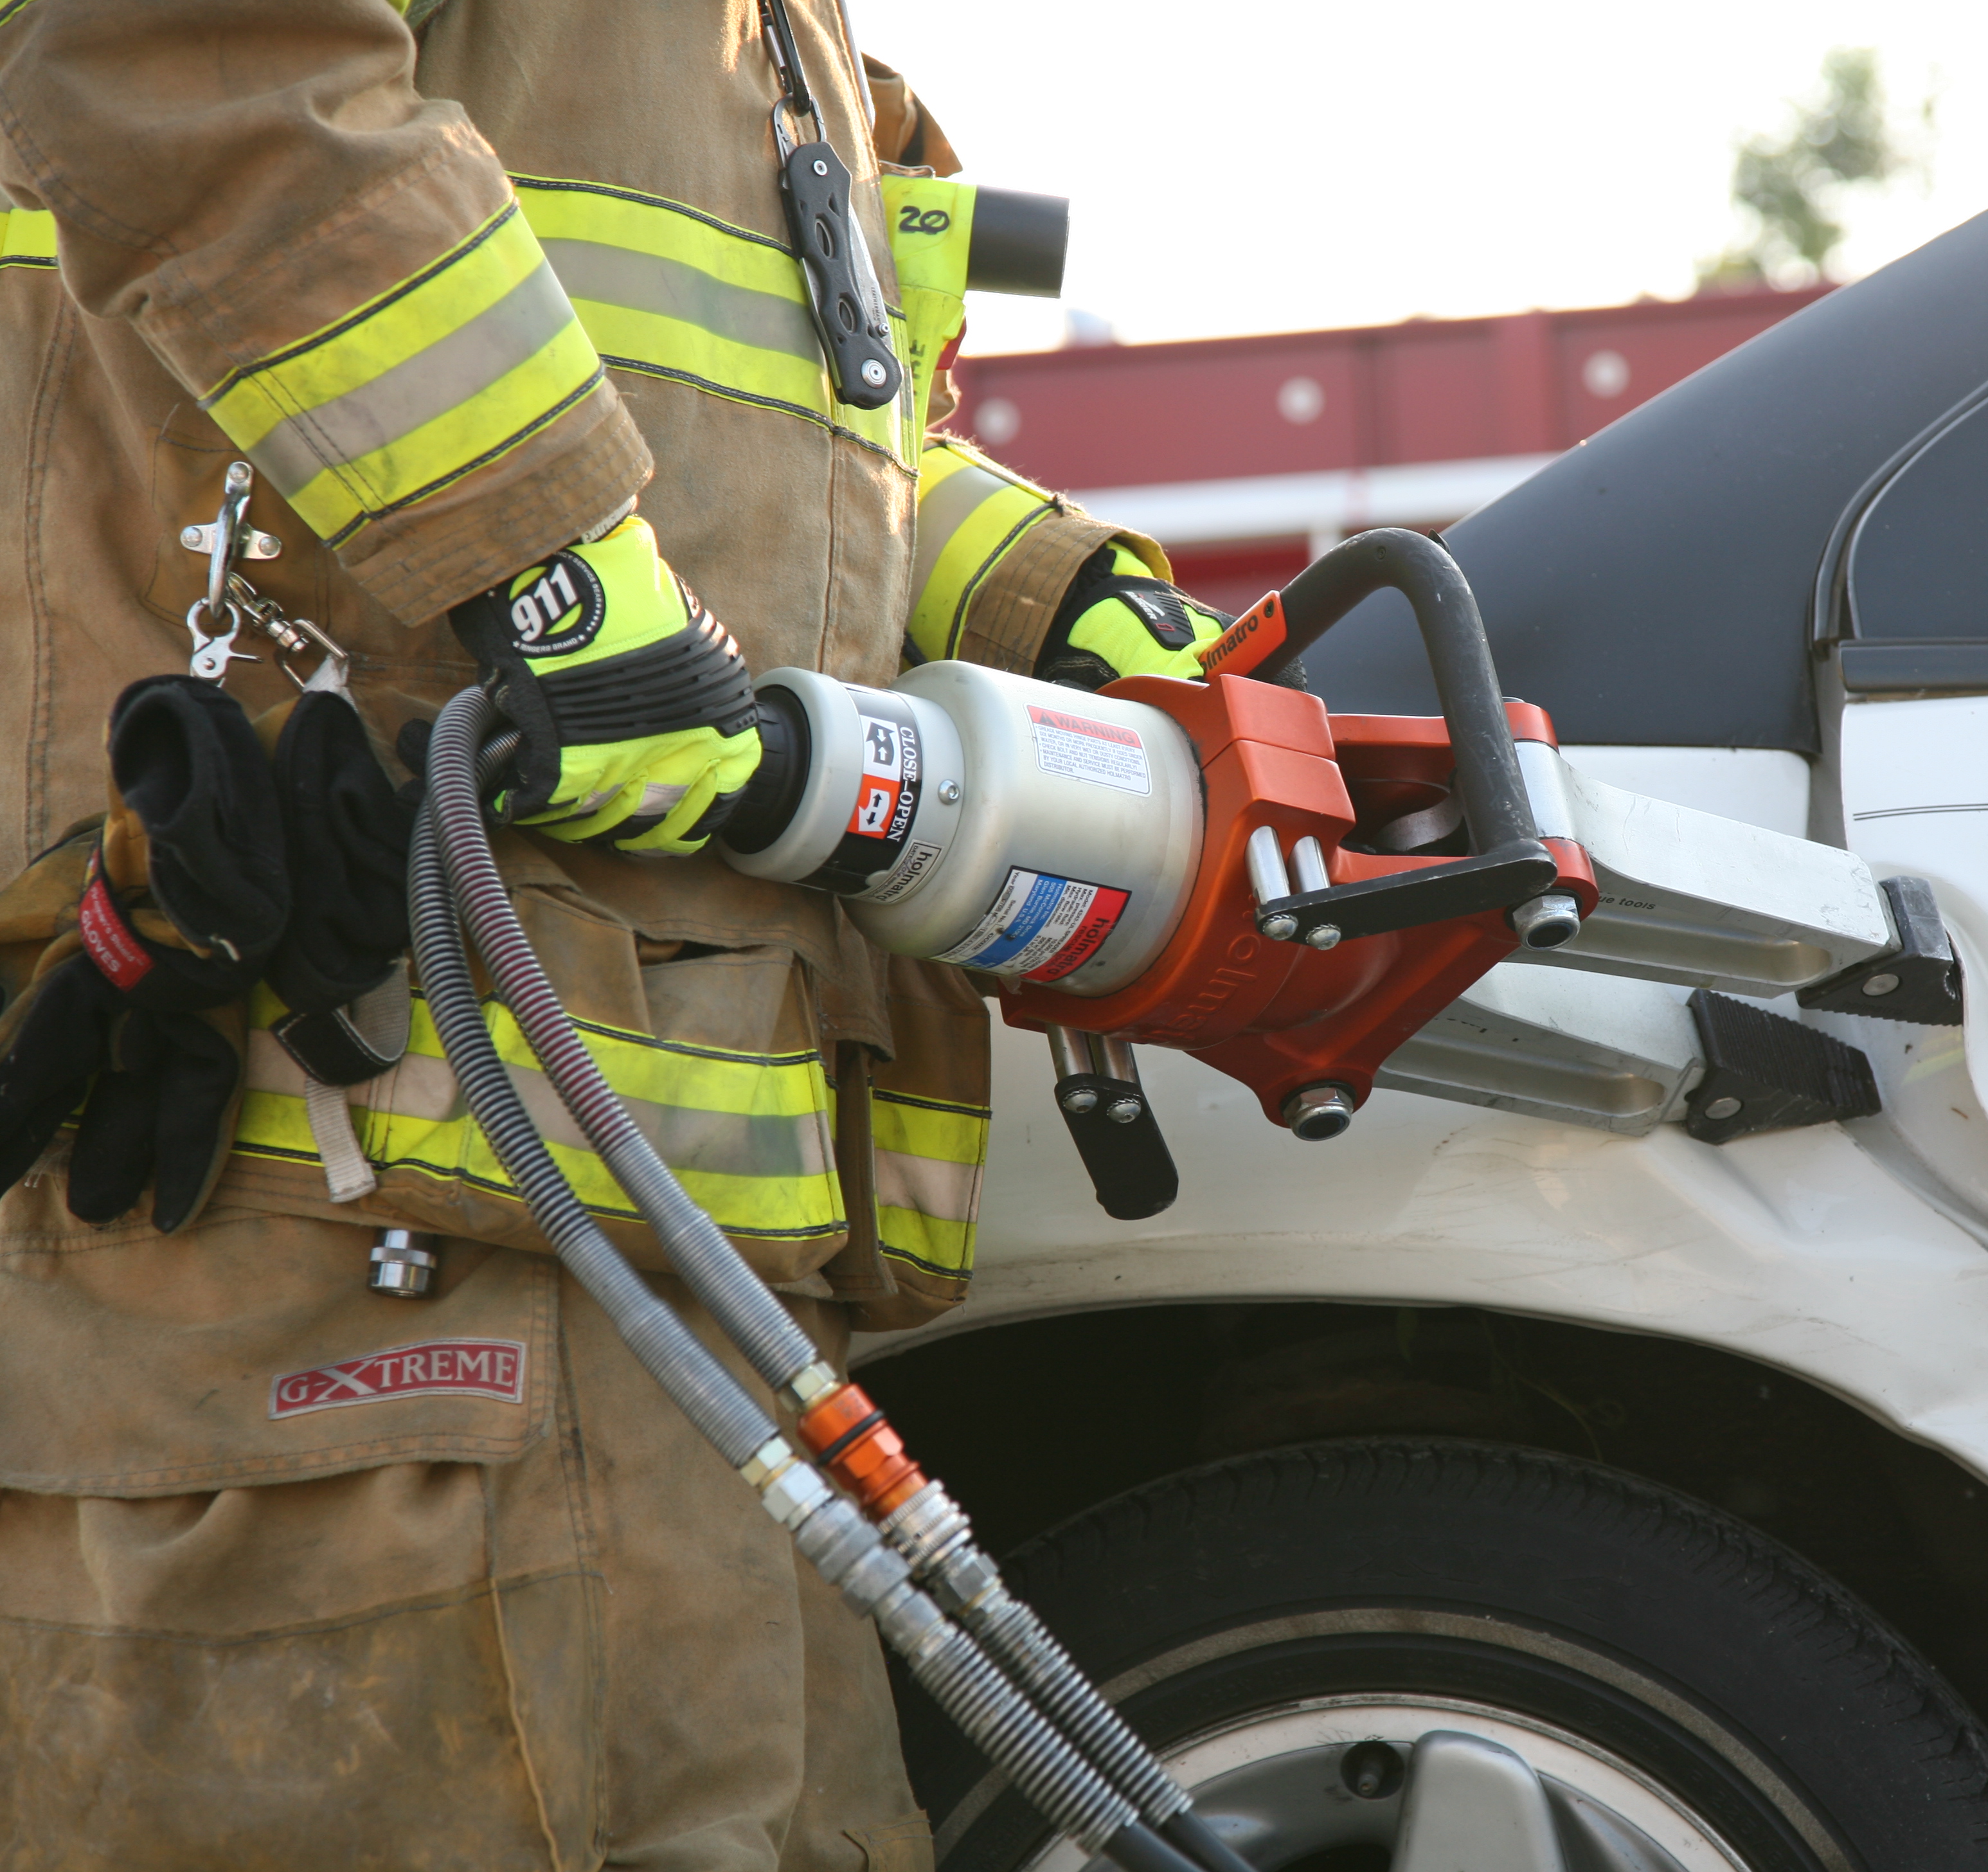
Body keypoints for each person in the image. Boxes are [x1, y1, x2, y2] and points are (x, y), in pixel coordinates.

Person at [0, 2, 1230, 1863]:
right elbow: (191, 65)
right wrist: (562, 577)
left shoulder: (758, 40)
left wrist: (1058, 610)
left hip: (679, 1329)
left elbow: (763, 465)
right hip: (331, 1255)